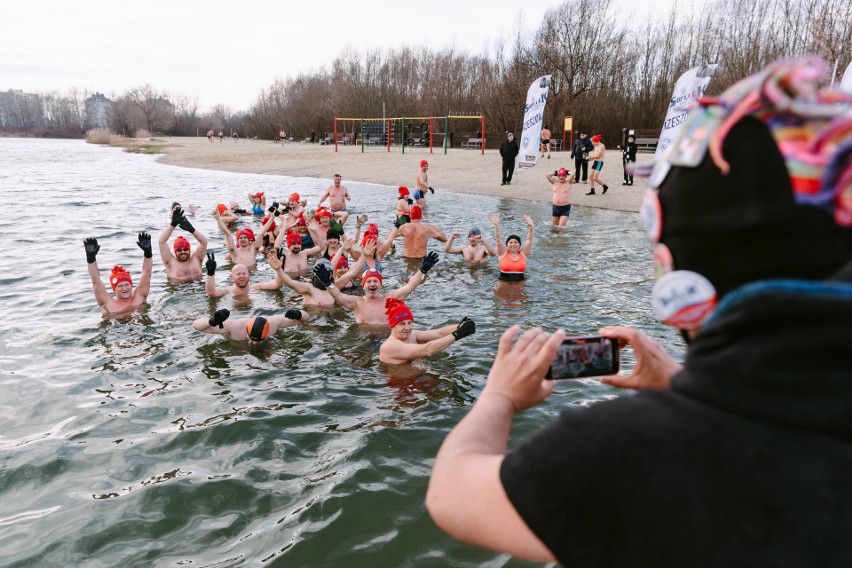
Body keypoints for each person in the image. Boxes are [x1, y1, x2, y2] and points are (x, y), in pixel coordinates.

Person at [426, 57, 852, 566]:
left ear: (678, 282)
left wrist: (499, 396)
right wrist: (685, 382)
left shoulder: (622, 449)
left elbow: (453, 494)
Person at [316, 251, 441, 326]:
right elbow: (338, 295)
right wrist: (327, 283)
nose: (372, 284)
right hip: (363, 341)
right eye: (369, 281)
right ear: (363, 285)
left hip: (385, 340)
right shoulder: (357, 303)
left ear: (380, 284)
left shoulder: (390, 299)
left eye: (375, 281)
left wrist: (422, 270)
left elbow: (410, 286)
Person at [379, 298, 477, 365]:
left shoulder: (412, 335)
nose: (407, 328)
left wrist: (460, 326)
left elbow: (439, 333)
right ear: (392, 325)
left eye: (409, 323)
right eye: (402, 324)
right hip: (402, 388)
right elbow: (427, 350)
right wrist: (457, 334)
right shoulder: (389, 346)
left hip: (419, 379)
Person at [84, 233, 153, 315]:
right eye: (120, 286)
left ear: (131, 285)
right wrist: (91, 259)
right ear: (114, 289)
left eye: (127, 284)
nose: (124, 288)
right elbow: (96, 281)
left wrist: (148, 253)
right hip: (116, 326)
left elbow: (147, 273)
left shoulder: (139, 297)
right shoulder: (108, 304)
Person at [192, 308, 309, 343]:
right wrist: (212, 321)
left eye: (259, 340)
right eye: (252, 339)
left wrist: (299, 314)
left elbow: (306, 318)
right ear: (246, 331)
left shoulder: (273, 322)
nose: (255, 343)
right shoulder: (235, 326)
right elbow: (196, 325)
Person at [159, 203, 209, 280]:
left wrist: (192, 230)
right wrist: (173, 224)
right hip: (178, 290)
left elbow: (204, 242)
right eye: (179, 250)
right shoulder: (170, 262)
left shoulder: (196, 259)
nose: (183, 252)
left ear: (189, 250)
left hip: (197, 289)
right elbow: (161, 242)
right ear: (175, 252)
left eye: (185, 249)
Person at [203, 253, 283, 297]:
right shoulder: (228, 291)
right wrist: (210, 273)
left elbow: (277, 285)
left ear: (249, 275)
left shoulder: (256, 287)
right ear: (231, 277)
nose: (241, 276)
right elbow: (211, 293)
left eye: (244, 273)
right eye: (238, 274)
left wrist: (279, 269)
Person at [490, 214, 534, 280]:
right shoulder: (503, 254)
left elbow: (529, 240)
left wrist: (531, 226)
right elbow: (498, 239)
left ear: (519, 245)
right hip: (504, 285)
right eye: (510, 242)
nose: (513, 244)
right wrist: (496, 226)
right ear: (507, 245)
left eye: (516, 242)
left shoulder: (523, 254)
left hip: (520, 286)